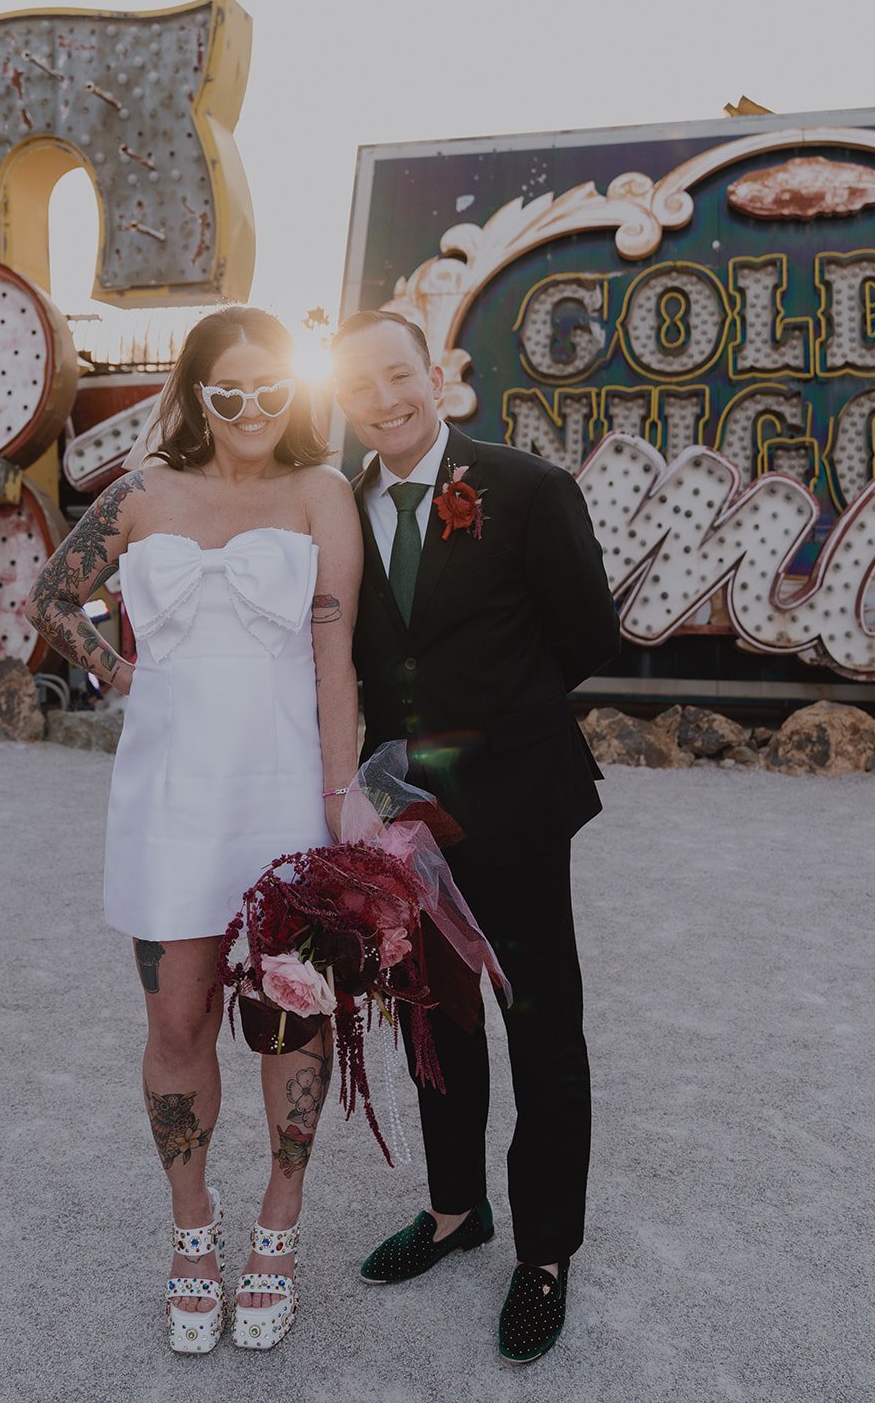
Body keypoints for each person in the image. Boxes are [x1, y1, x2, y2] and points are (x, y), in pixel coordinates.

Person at [27, 306, 361, 1355]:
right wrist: (122, 673)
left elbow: (333, 658)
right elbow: (51, 595)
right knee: (175, 1027)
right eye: (229, 391)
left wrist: (340, 803)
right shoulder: (139, 492)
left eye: (272, 389)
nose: (252, 408)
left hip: (284, 801)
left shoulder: (321, 493)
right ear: (197, 392)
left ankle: (277, 1225)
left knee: (289, 1021)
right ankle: (190, 1233)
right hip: (168, 802)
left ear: (295, 394)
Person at [331, 309, 620, 1365]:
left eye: (397, 373)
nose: (383, 396)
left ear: (434, 376)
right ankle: (456, 1212)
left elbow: (585, 633)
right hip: (397, 817)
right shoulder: (339, 503)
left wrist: (480, 734)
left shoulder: (526, 487)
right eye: (358, 382)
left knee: (538, 1022)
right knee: (432, 1020)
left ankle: (543, 1253)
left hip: (515, 801)